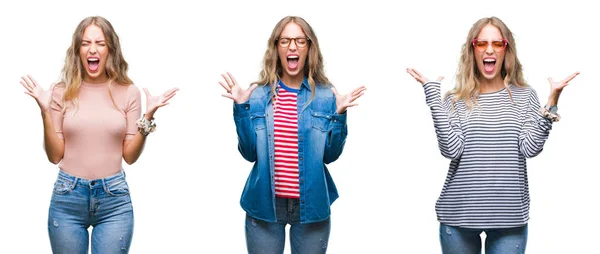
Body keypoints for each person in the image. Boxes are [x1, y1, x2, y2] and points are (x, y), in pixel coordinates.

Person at [407, 16, 578, 254]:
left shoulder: (525, 96)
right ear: (472, 50)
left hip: (509, 218)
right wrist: (434, 100)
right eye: (482, 43)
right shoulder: (455, 100)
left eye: (498, 44)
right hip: (459, 215)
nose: (489, 50)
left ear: (506, 50)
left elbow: (530, 149)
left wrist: (551, 105)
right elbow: (450, 150)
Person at [20, 16, 178, 253]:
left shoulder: (129, 92)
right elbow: (55, 156)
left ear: (110, 49)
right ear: (77, 50)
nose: (92, 49)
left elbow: (130, 157)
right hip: (68, 197)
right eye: (85, 43)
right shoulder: (60, 92)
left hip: (114, 200)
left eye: (100, 43)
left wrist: (148, 116)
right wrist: (44, 110)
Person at [218, 16, 366, 253]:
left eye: (299, 40)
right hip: (264, 205)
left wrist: (339, 115)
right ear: (276, 47)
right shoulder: (256, 95)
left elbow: (330, 156)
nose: (293, 47)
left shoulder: (327, 96)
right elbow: (248, 153)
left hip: (312, 205)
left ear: (309, 47)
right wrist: (241, 108)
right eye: (285, 41)